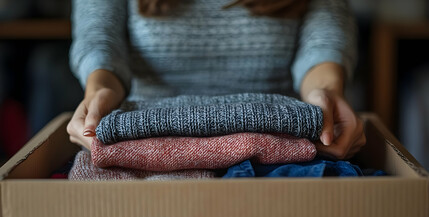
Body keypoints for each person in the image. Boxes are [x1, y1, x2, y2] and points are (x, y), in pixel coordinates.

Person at [67, 0, 366, 159]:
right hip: (141, 134)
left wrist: (326, 93)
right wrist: (99, 91)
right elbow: (100, 40)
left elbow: (324, 43)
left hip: (283, 140)